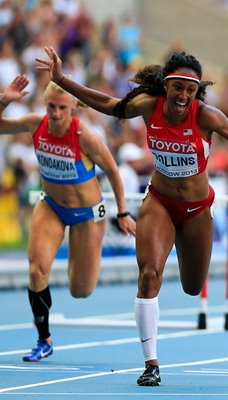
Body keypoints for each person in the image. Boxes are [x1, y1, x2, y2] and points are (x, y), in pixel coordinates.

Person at [37, 47, 228, 386]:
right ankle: (151, 363)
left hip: (197, 210)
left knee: (192, 286)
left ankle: (168, 320)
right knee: (149, 274)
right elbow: (110, 105)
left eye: (191, 89)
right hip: (159, 202)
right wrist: (62, 80)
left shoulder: (206, 117)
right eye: (178, 87)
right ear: (166, 87)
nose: (184, 95)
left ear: (197, 92)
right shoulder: (147, 105)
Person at [0, 74, 136, 362]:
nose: (56, 114)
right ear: (44, 104)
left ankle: (83, 266)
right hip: (51, 206)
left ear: (74, 106)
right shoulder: (36, 124)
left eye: (62, 108)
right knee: (36, 270)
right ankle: (43, 339)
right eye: (51, 107)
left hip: (89, 215)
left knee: (80, 290)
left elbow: (113, 172)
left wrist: (122, 212)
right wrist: (4, 101)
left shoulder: (86, 137)